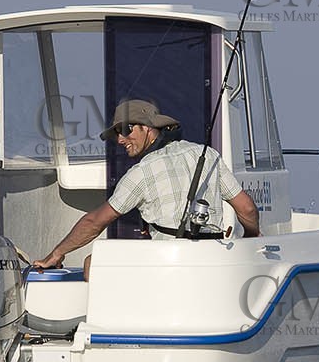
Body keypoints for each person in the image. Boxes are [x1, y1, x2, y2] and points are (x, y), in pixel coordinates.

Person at [31, 99, 260, 270]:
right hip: (213, 260)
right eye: (116, 134)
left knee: (93, 264)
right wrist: (251, 236)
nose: (120, 139)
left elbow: (94, 222)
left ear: (147, 128)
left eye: (125, 129)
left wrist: (57, 253)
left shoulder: (141, 172)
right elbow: (247, 208)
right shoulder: (208, 155)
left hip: (169, 263)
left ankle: (117, 328)